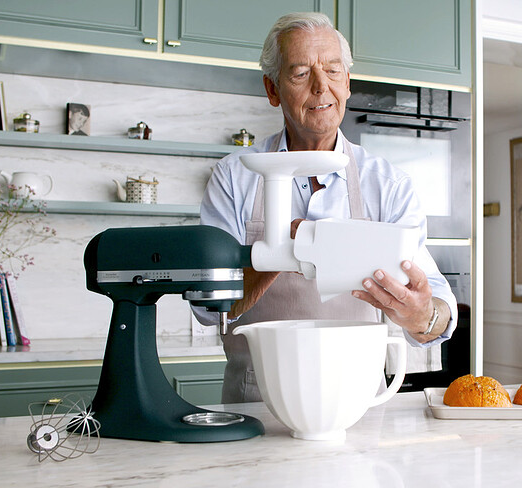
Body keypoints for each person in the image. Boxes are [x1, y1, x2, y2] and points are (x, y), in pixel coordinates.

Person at [194, 12, 458, 403]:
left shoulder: (388, 185)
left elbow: (435, 309)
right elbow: (207, 304)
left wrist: (423, 316)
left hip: (359, 405)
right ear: (272, 88)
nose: (322, 88)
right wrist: (279, 249)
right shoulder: (235, 177)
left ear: (347, 84)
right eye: (301, 73)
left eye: (333, 71)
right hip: (259, 405)